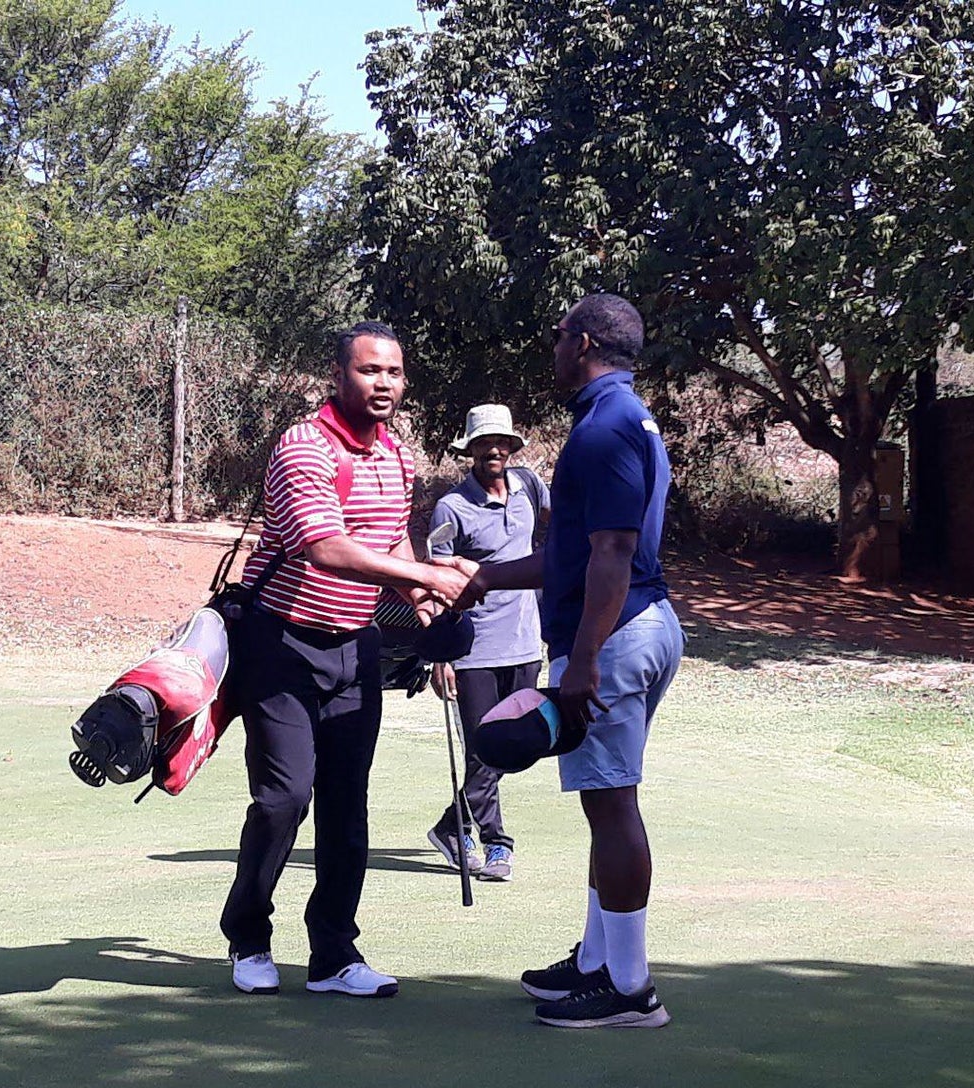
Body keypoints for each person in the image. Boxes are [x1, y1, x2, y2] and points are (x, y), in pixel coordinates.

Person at [221, 321, 473, 999]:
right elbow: (323, 546)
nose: (383, 382)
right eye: (369, 370)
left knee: (345, 803)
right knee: (284, 797)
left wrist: (423, 601)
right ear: (339, 375)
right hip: (280, 641)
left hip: (355, 644)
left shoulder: (396, 457)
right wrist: (427, 574)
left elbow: (391, 545)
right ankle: (248, 935)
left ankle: (333, 953)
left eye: (393, 371)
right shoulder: (303, 446)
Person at [457, 293, 682, 1029]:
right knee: (602, 800)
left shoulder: (606, 426)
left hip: (615, 636)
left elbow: (613, 553)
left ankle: (630, 987)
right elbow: (573, 552)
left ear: (582, 341)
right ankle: (597, 961)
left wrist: (582, 659)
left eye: (557, 336)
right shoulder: (624, 416)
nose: (551, 347)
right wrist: (487, 576)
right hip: (637, 625)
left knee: (612, 800)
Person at [425, 403, 550, 883]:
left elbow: (559, 527)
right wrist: (441, 656)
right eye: (484, 443)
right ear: (470, 450)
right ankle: (497, 842)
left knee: (518, 745)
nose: (493, 450)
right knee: (484, 750)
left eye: (502, 443)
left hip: (525, 643)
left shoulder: (530, 487)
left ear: (513, 447)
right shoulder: (452, 508)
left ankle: (450, 827)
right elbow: (436, 580)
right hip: (473, 649)